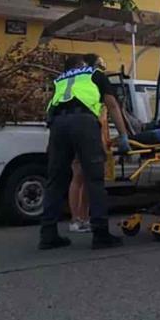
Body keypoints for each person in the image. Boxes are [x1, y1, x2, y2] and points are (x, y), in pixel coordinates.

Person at [39, 55, 130, 250]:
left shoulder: (61, 79)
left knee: (55, 180)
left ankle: (48, 235)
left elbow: (51, 107)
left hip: (58, 125)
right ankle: (100, 234)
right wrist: (123, 135)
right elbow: (112, 104)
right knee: (94, 179)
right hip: (83, 123)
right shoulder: (95, 74)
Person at [67, 54, 112, 234]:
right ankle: (77, 219)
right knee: (79, 177)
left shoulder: (77, 84)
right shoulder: (91, 84)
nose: (103, 68)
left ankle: (83, 218)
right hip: (87, 135)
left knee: (86, 180)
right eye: (100, 65)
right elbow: (108, 109)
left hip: (90, 135)